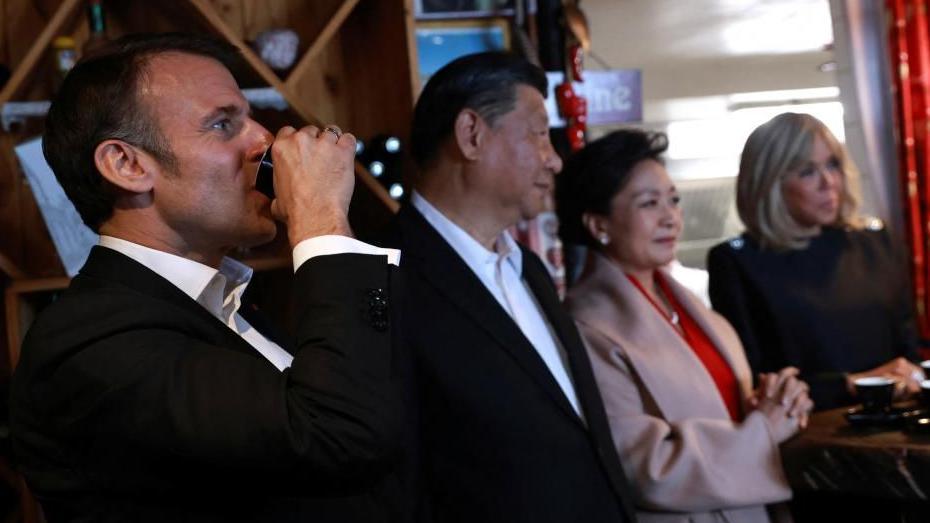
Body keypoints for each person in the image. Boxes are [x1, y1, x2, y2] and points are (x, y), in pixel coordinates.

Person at [11, 33, 402, 522]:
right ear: (126, 165)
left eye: (250, 116)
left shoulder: (227, 303)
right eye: (222, 124)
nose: (264, 140)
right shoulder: (90, 341)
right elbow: (337, 436)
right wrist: (321, 218)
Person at [382, 52, 637, 523]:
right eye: (539, 133)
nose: (555, 160)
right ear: (471, 135)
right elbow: (398, 472)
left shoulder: (529, 269)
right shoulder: (385, 278)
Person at [558, 129, 812, 523]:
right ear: (598, 224)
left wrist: (773, 403)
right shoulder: (587, 326)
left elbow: (725, 411)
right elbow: (645, 467)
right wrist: (763, 430)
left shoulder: (688, 304)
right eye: (649, 203)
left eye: (673, 200)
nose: (671, 217)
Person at [707, 112, 920, 410]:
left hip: (898, 420)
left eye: (833, 164)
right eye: (807, 171)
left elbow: (909, 347)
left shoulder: (876, 242)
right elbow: (755, 383)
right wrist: (851, 383)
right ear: (770, 183)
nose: (829, 182)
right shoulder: (736, 261)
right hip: (811, 434)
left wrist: (912, 371)